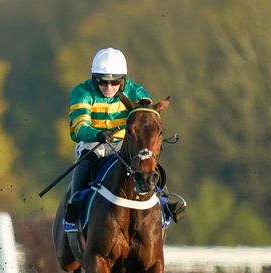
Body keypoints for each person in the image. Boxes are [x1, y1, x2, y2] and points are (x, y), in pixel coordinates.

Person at [64, 47, 185, 225]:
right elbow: (81, 127)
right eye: (102, 82)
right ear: (94, 79)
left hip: (125, 143)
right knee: (87, 158)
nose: (108, 87)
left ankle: (165, 199)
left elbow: (146, 114)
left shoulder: (135, 90)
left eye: (114, 83)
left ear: (123, 80)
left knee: (146, 157)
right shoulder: (82, 92)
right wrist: (98, 134)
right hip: (94, 143)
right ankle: (75, 204)